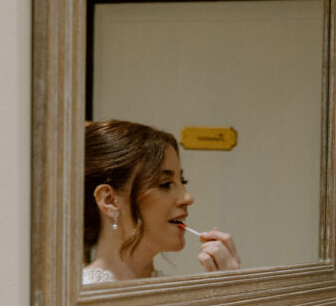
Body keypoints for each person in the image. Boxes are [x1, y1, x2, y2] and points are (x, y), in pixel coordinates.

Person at [83, 119, 240, 283]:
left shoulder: (175, 293)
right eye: (165, 184)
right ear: (109, 200)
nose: (188, 198)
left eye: (183, 181)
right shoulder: (69, 299)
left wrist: (229, 292)